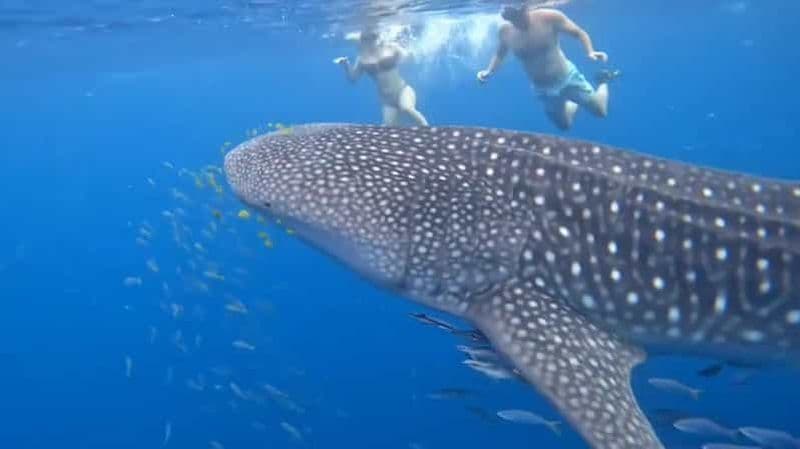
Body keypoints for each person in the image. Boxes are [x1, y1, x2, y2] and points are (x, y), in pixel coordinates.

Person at [477, 4, 619, 130]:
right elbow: (500, 54)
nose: (518, 22)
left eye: (519, 16)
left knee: (601, 111)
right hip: (543, 89)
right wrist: (489, 71)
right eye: (513, 19)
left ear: (526, 8)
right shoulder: (505, 32)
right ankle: (572, 101)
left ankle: (603, 80)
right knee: (564, 126)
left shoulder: (549, 17)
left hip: (568, 79)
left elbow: (578, 32)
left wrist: (590, 51)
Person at [334, 28, 429, 126]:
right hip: (387, 100)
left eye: (371, 40)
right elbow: (353, 79)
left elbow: (408, 56)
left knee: (406, 108)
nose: (369, 44)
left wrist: (399, 49)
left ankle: (428, 130)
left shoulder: (389, 49)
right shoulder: (362, 59)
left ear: (377, 40)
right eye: (365, 41)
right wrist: (346, 64)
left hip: (402, 91)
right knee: (388, 126)